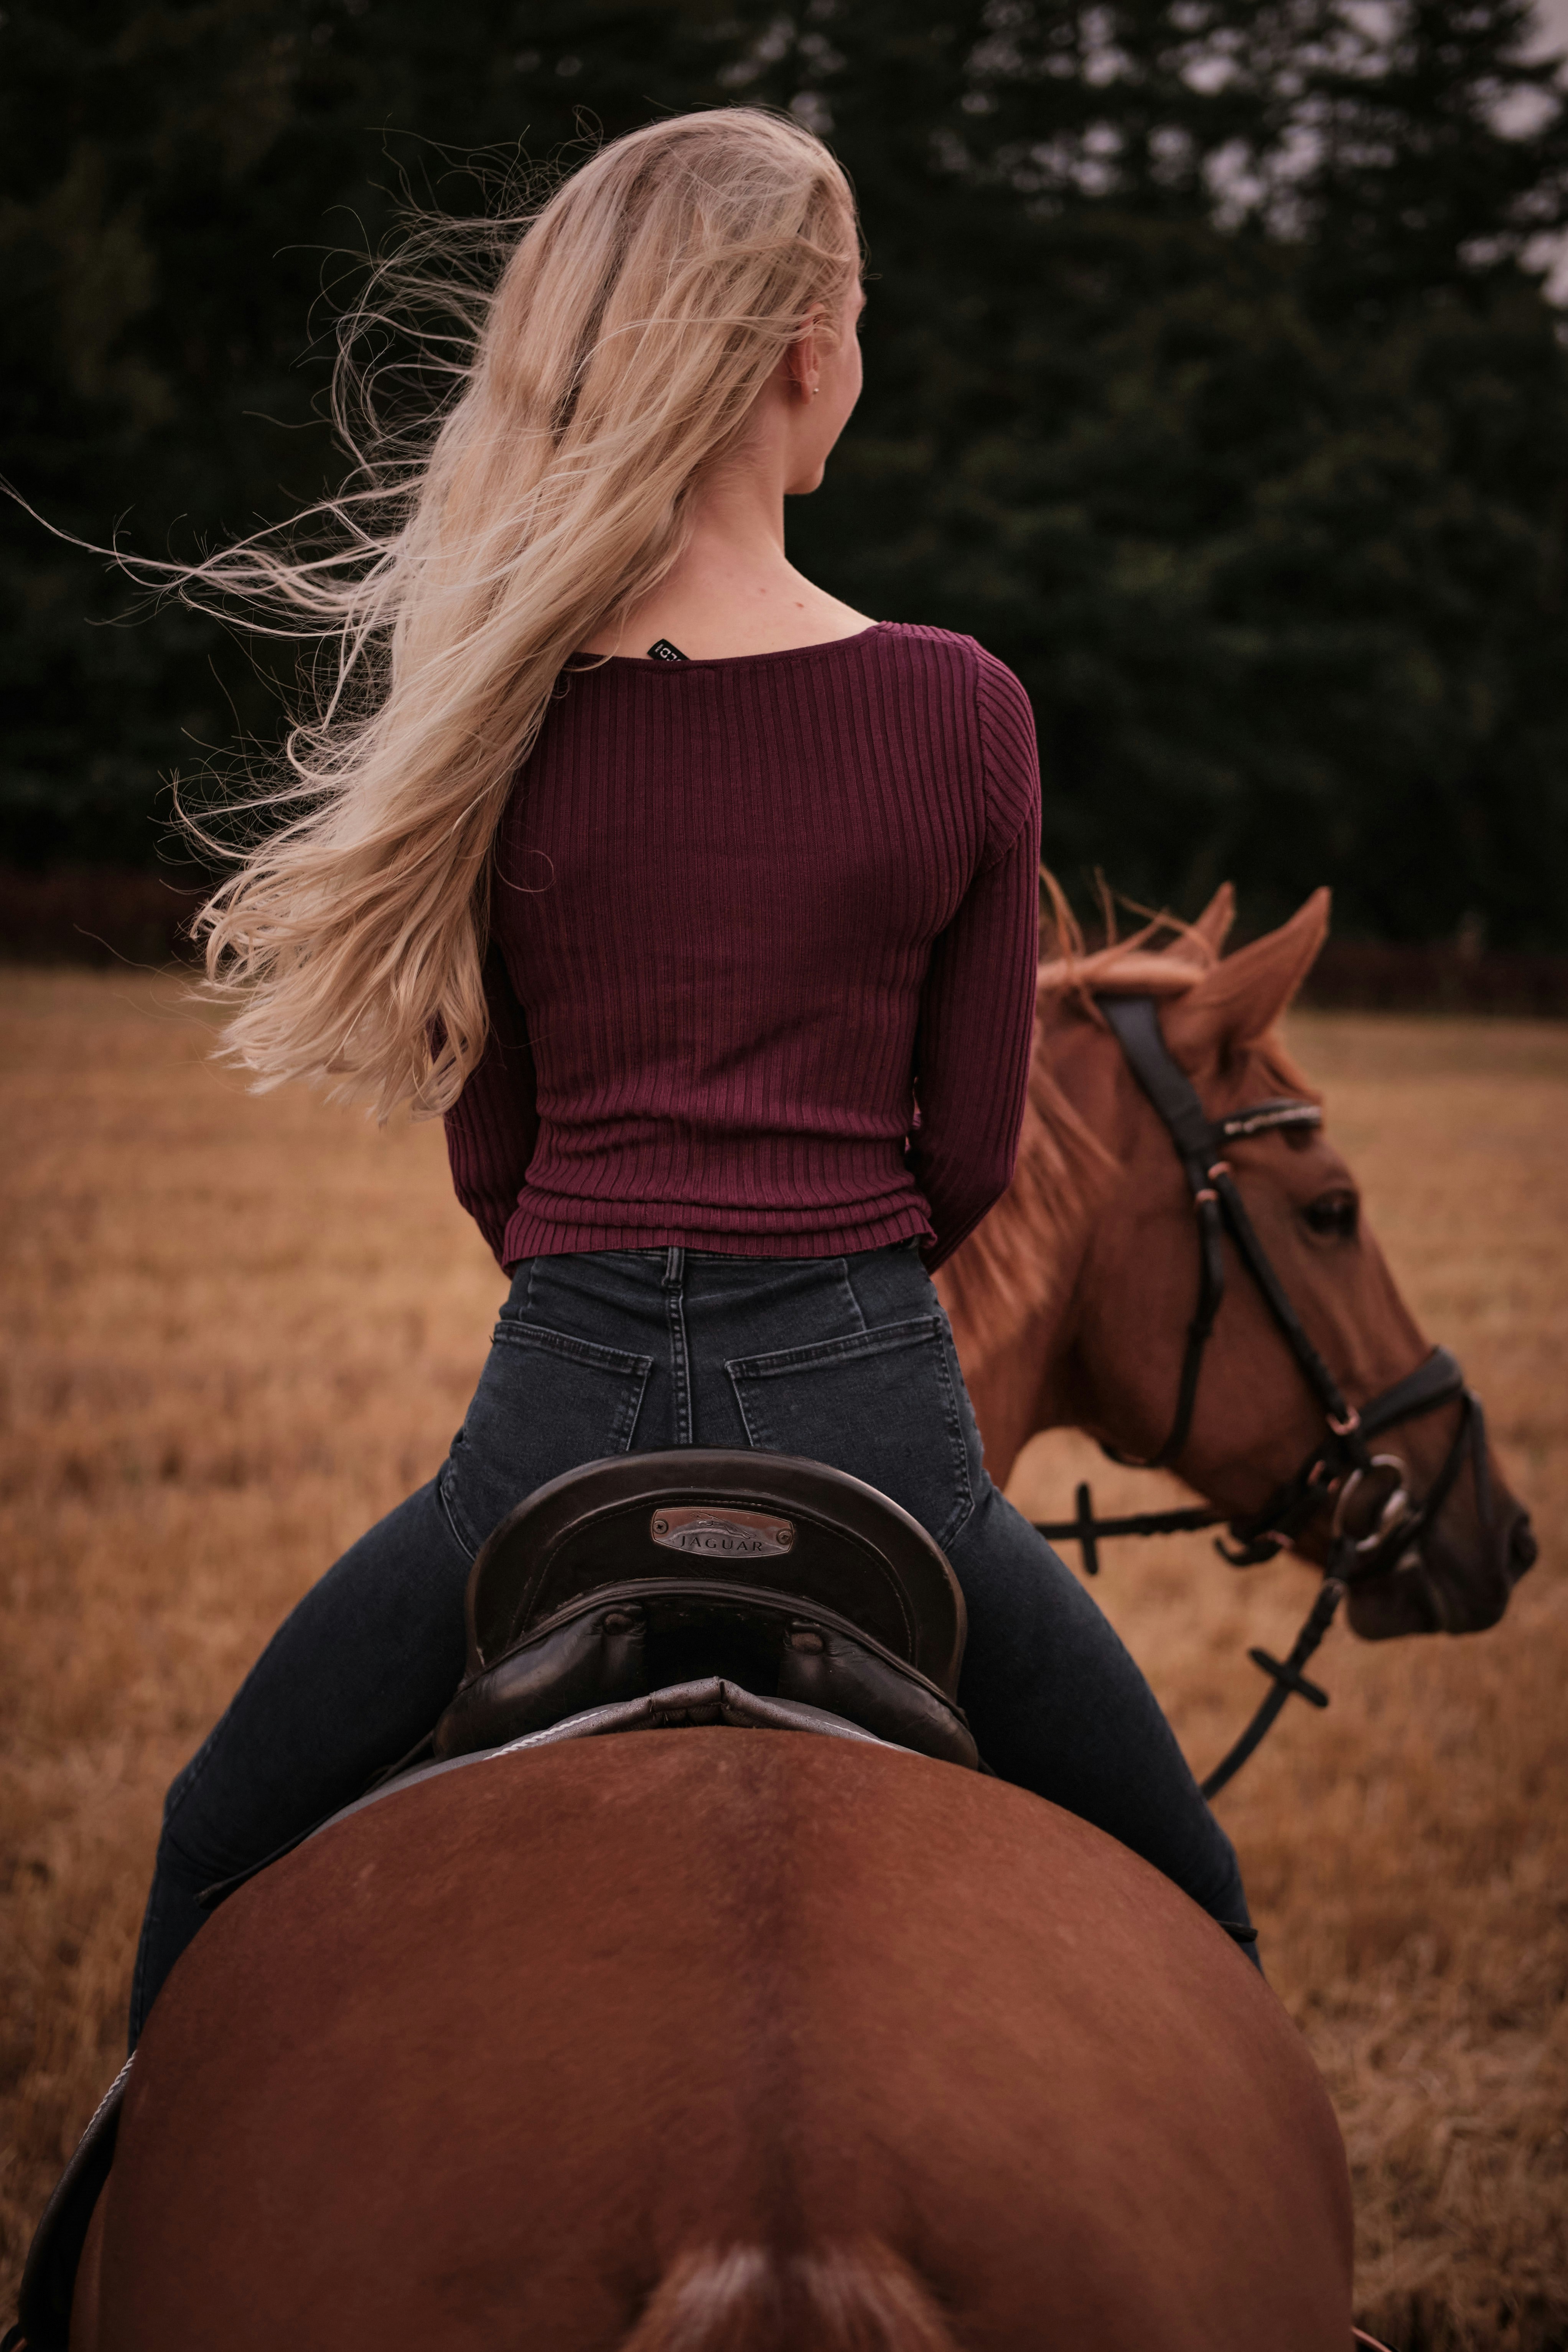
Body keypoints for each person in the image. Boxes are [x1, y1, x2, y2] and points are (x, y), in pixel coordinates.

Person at [129, 107, 1253, 2046]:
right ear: (808, 348)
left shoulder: (499, 700)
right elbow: (970, 1154)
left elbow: (498, 1157)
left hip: (553, 1419)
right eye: (862, 323)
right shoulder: (962, 709)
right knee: (1197, 1904)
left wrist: (607, 1278)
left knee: (217, 1836)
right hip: (876, 1426)